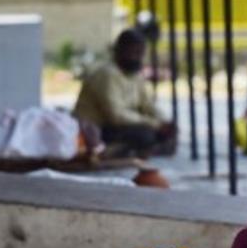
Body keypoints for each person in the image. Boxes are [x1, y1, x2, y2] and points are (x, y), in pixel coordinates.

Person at [73, 29, 176, 157]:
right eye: (133, 52)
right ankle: (111, 151)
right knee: (145, 135)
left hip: (121, 125)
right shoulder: (107, 74)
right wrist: (154, 124)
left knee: (167, 131)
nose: (137, 57)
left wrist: (163, 122)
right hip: (96, 129)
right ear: (119, 51)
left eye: (140, 53)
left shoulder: (135, 75)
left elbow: (147, 105)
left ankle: (137, 150)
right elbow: (116, 116)